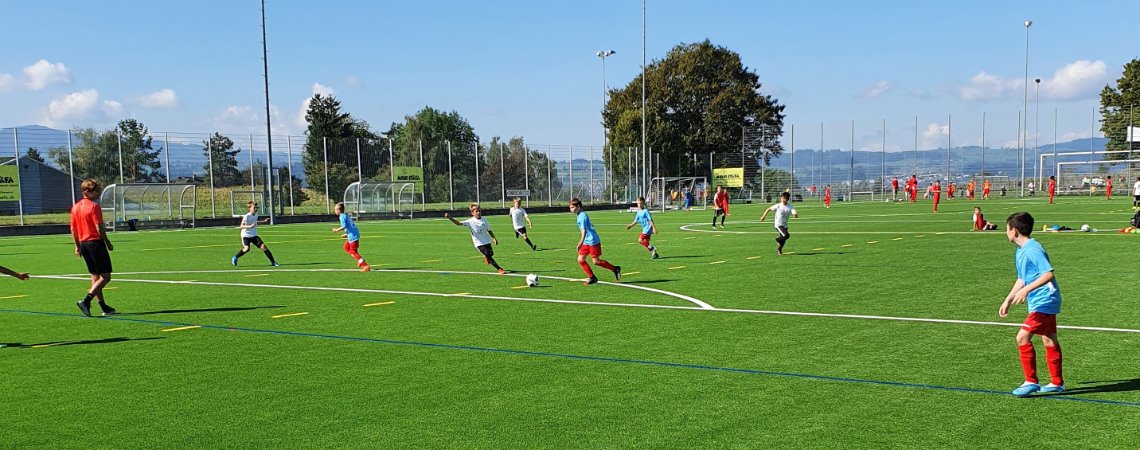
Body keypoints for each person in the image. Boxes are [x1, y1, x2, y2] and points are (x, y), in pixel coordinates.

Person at [998, 212, 1064, 397]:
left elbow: (1048, 274)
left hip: (1046, 300)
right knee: (1048, 338)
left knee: (1022, 337)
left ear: (1015, 230)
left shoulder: (1033, 249)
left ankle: (1031, 381)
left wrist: (1026, 290)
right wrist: (1008, 299)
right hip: (1039, 300)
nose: (1006, 232)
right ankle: (1057, 383)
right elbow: (1022, 278)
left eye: (1007, 228)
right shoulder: (1020, 250)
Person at [71, 179, 116, 317]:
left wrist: (77, 246)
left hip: (84, 244)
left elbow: (73, 229)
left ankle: (103, 307)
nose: (99, 193)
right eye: (97, 191)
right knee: (106, 276)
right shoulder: (93, 206)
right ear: (89, 192)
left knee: (95, 276)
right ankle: (86, 300)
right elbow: (99, 226)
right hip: (95, 243)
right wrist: (107, 241)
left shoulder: (75, 207)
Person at [570, 197, 620, 285]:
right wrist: (582, 242)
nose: (571, 209)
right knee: (580, 259)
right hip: (587, 241)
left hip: (593, 241)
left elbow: (584, 231)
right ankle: (592, 277)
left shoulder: (582, 216)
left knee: (596, 262)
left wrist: (580, 243)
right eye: (570, 208)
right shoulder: (579, 214)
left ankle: (615, 269)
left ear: (578, 206)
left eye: (572, 207)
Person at [445, 203, 505, 274]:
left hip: (486, 241)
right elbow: (458, 223)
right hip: (478, 243)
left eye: (479, 210)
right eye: (476, 211)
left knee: (490, 254)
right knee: (488, 256)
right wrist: (450, 218)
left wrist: (494, 238)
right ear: (472, 213)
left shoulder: (484, 220)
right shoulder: (470, 221)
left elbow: (489, 230)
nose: (479, 212)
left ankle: (486, 257)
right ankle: (499, 269)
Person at [232, 201, 279, 267]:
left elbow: (255, 222)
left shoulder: (256, 214)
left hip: (253, 235)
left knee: (264, 247)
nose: (256, 209)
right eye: (254, 208)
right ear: (250, 208)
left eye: (256, 208)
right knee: (247, 249)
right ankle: (235, 257)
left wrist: (263, 221)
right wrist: (249, 226)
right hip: (246, 235)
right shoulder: (246, 216)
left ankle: (273, 262)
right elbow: (241, 226)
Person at [331, 202, 371, 272]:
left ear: (339, 210)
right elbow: (350, 227)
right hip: (354, 234)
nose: (334, 211)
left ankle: (365, 265)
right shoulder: (345, 215)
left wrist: (336, 230)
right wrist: (346, 234)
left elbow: (344, 226)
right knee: (346, 247)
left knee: (352, 251)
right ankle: (359, 260)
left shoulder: (342, 216)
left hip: (353, 237)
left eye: (335, 210)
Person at [759, 191, 798, 255]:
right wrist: (763, 217)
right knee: (786, 235)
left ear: (787, 199)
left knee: (784, 239)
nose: (782, 199)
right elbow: (768, 209)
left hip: (785, 225)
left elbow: (794, 213)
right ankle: (777, 240)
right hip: (778, 224)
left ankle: (779, 249)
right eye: (781, 198)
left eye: (784, 198)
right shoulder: (778, 206)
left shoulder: (790, 207)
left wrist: (795, 215)